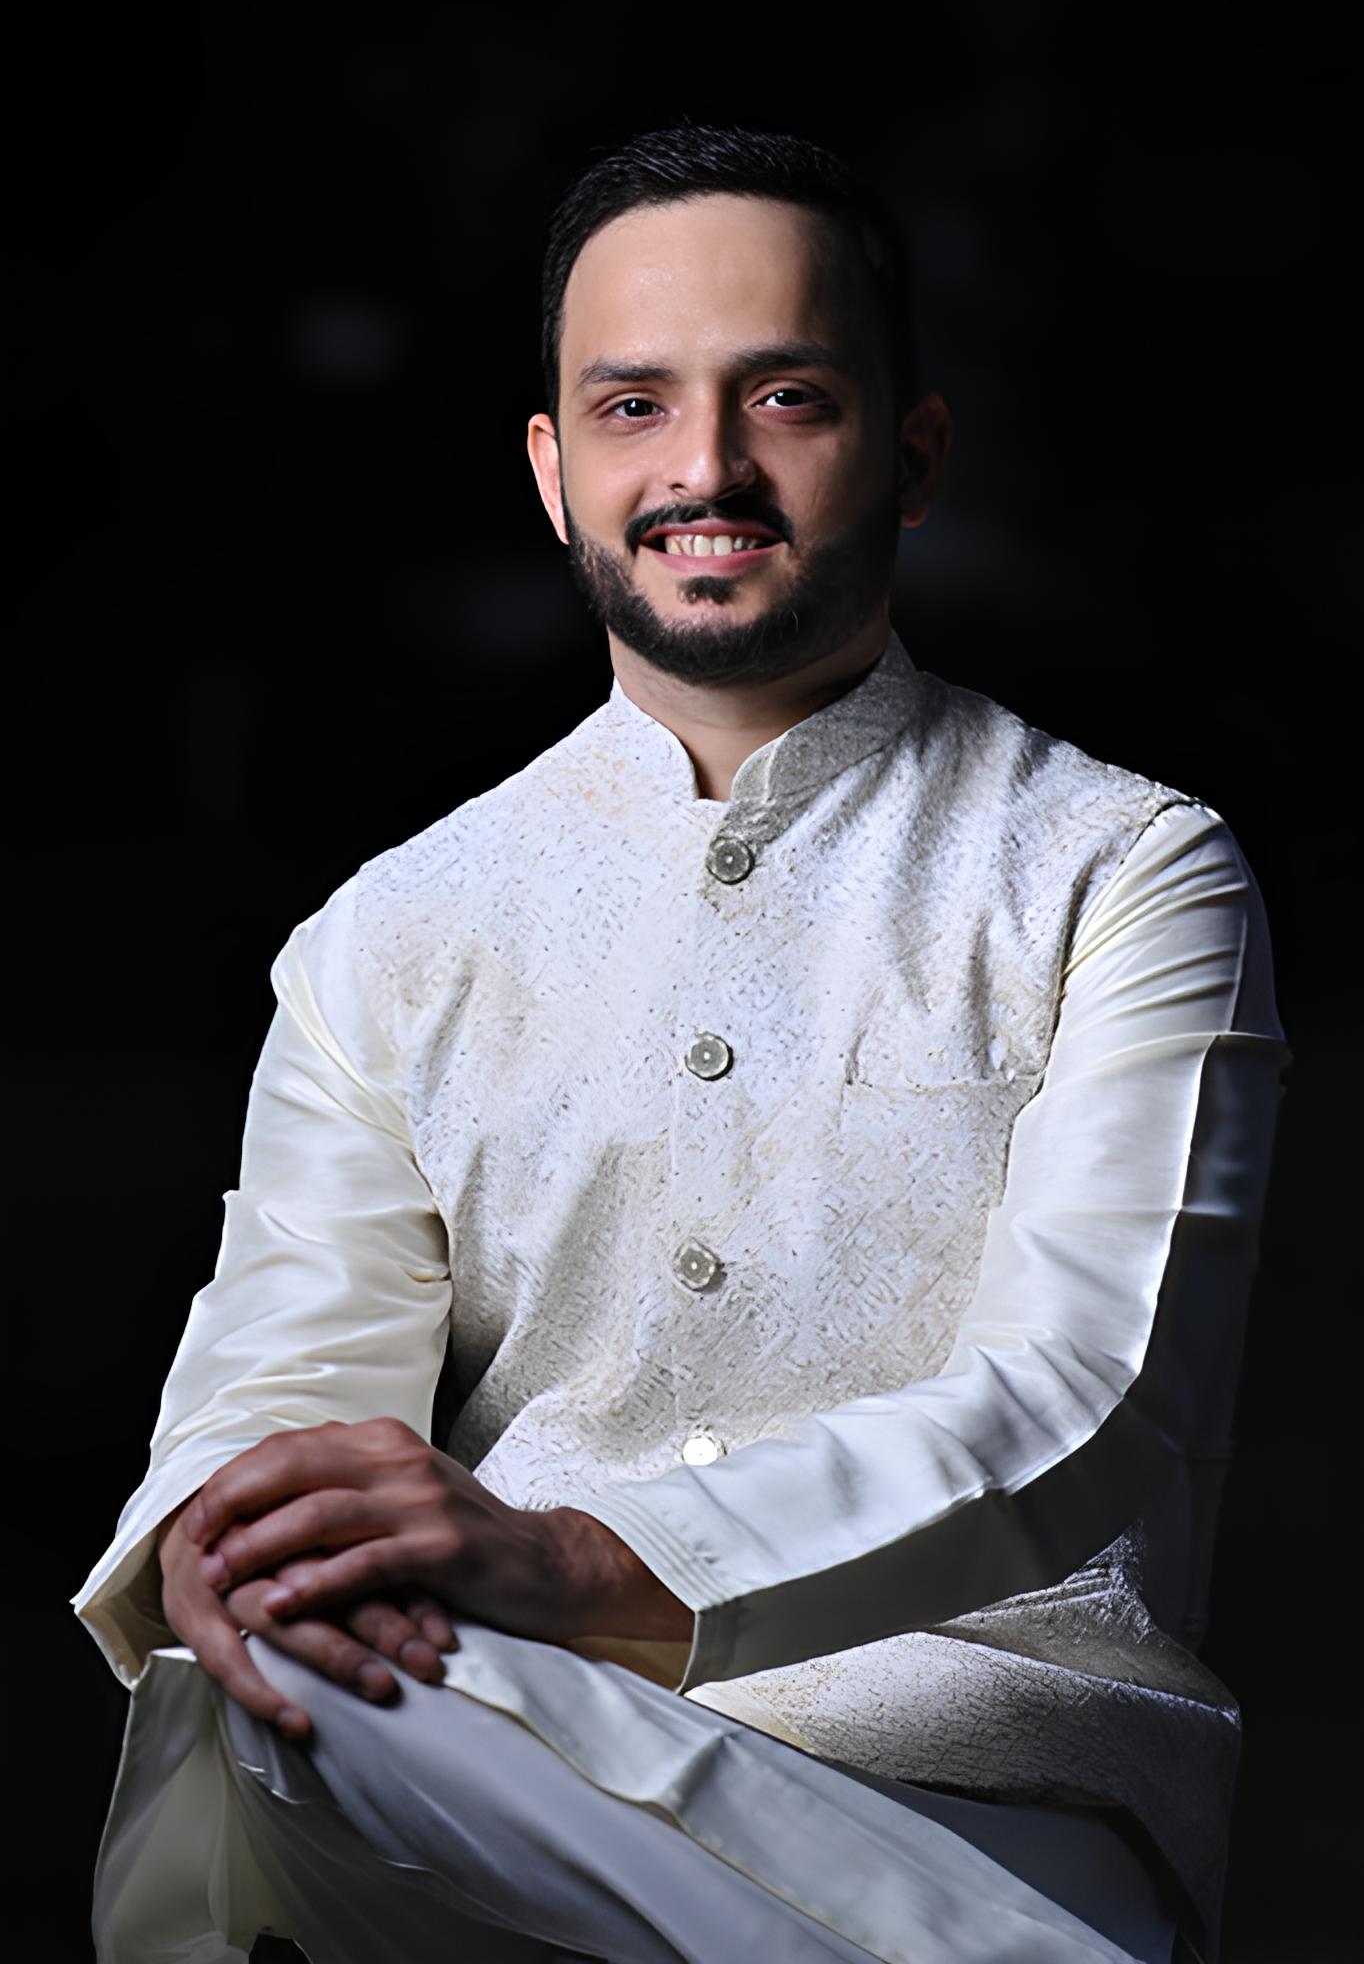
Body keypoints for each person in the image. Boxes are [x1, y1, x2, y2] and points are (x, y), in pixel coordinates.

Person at [73, 124, 1289, 1964]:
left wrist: (580, 1559)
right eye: (633, 406)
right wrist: (232, 1543)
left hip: (986, 1771)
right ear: (553, 471)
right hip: (493, 1743)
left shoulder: (1120, 868)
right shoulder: (391, 931)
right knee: (282, 1665)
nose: (704, 467)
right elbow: (274, 1394)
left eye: (785, 397)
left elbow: (1092, 1399)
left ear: (913, 453)